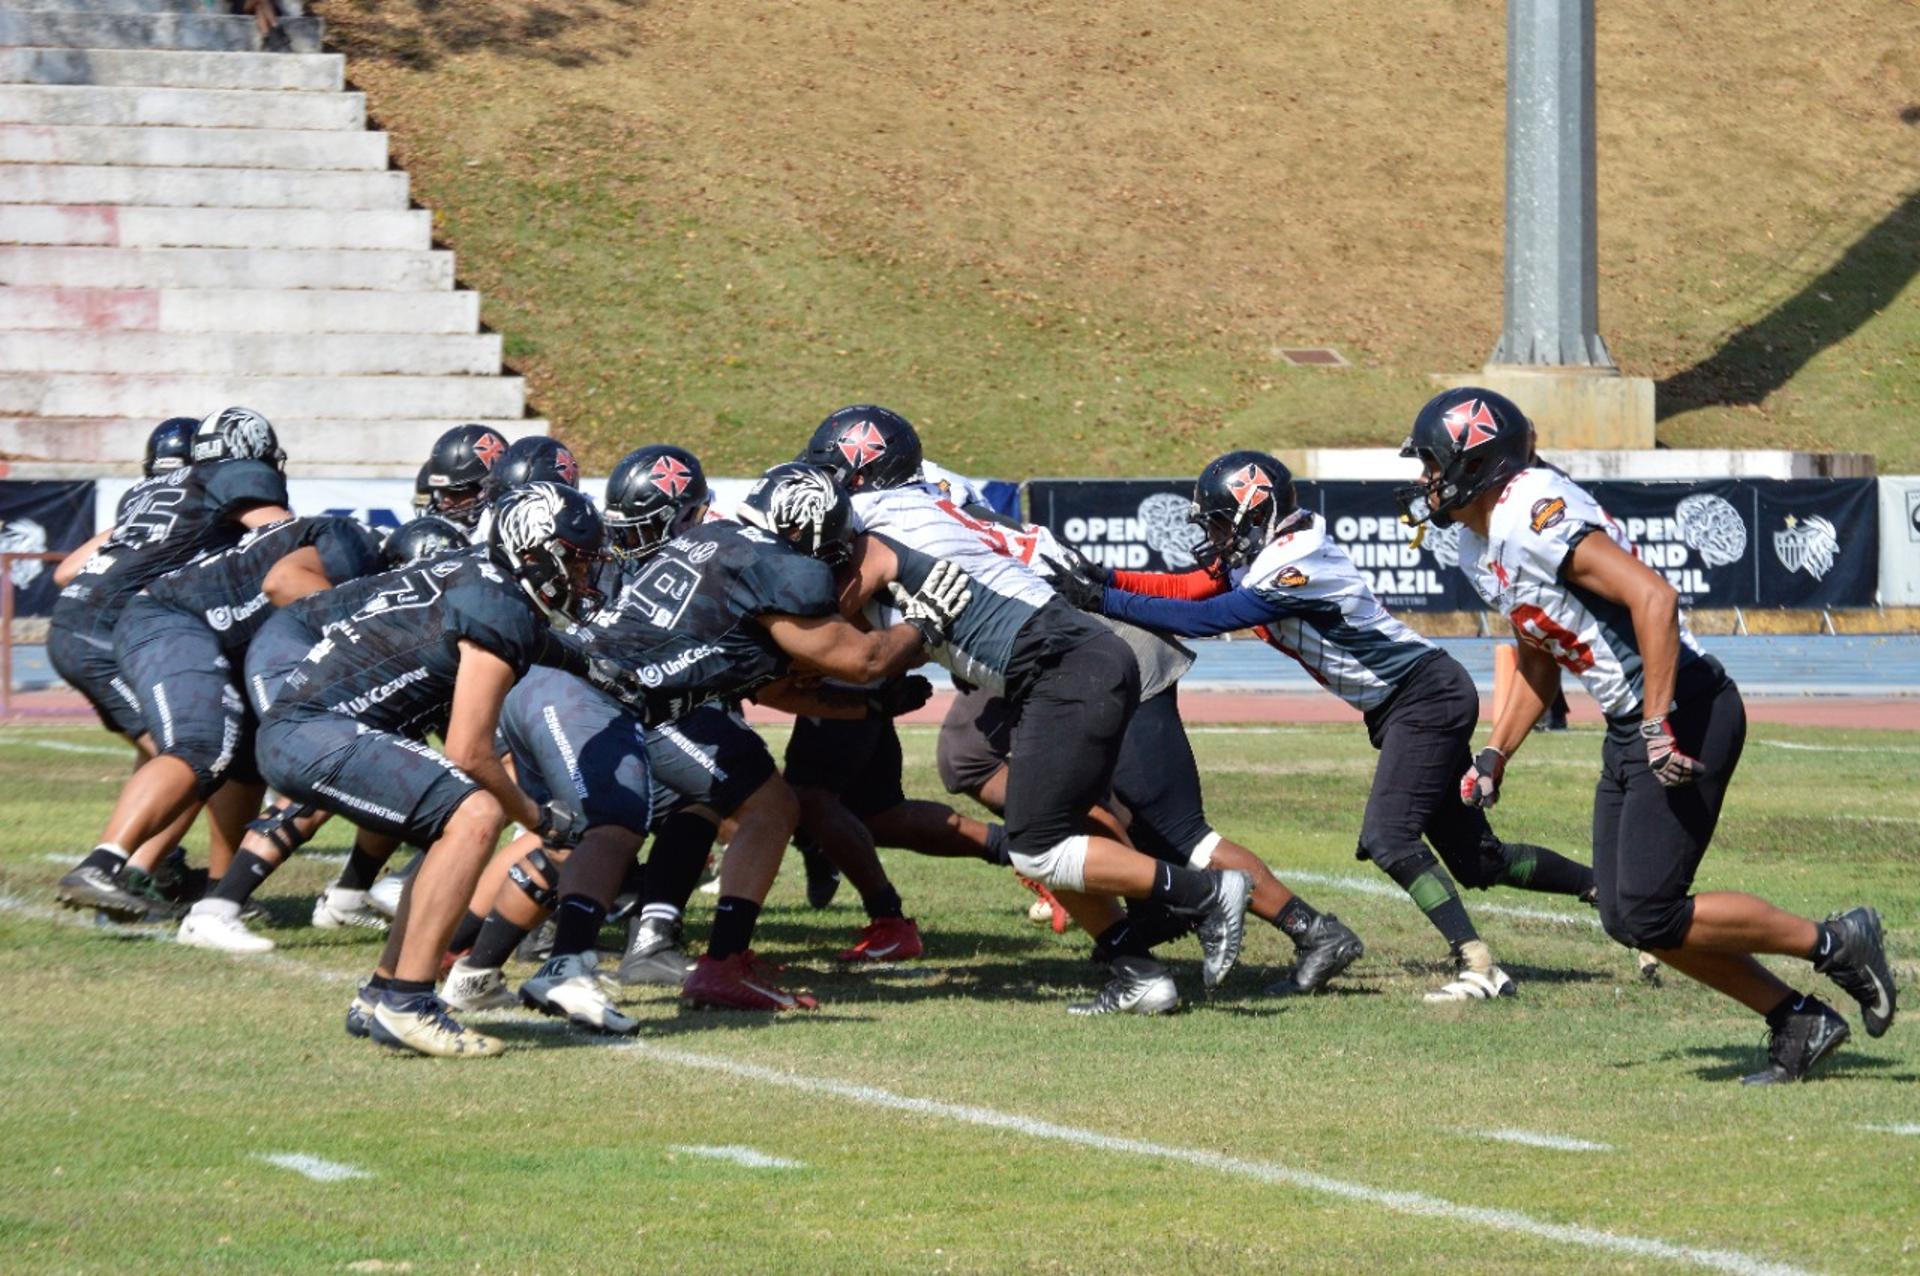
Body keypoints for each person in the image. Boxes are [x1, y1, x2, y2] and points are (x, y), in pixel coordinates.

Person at [1400, 386, 1896, 1079]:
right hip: (1633, 721)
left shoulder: (1531, 514)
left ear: (1474, 460)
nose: (1424, 479)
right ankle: (1799, 1020)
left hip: (1683, 708)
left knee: (1650, 908)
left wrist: (1659, 724)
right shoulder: (1479, 548)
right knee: (1628, 914)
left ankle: (1837, 941)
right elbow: (1542, 655)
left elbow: (1653, 598)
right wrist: (1495, 751)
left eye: (1431, 462)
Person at [1089, 449, 1600, 1001]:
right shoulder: (1266, 551)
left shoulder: (1299, 557)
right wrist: (1103, 578)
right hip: (1404, 702)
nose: (1213, 534)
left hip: (1424, 694)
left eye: (1219, 521)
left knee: (1389, 836)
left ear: (1252, 513)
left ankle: (1478, 965)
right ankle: (1601, 887)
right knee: (1478, 859)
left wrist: (1101, 599)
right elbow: (1188, 588)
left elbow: (1206, 618)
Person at [801, 405, 1254, 1013]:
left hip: (1064, 666)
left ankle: (1204, 891)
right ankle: (1138, 975)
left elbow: (846, 640)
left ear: (857, 476)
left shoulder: (875, 528)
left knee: (1038, 845)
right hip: (1069, 662)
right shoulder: (928, 503)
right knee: (1044, 835)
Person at [256, 483, 609, 1057]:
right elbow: (469, 750)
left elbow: (532, 645)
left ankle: (382, 993)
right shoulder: (498, 604)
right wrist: (538, 818)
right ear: (534, 551)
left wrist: (599, 665)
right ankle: (409, 1002)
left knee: (456, 816)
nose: (579, 572)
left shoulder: (481, 576)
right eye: (572, 556)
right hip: (315, 728)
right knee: (476, 811)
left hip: (309, 721)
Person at [52, 408, 295, 920]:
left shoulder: (155, 495)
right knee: (196, 753)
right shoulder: (233, 479)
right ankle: (129, 873)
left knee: (216, 750)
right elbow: (282, 535)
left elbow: (68, 572)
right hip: (118, 632)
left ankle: (199, 885)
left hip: (88, 625)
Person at [143, 511, 388, 951]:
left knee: (402, 770)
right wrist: (368, 636)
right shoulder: (350, 551)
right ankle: (201, 900)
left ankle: (350, 894)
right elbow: (283, 582)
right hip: (287, 664)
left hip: (307, 661)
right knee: (331, 767)